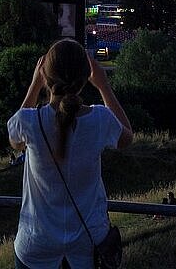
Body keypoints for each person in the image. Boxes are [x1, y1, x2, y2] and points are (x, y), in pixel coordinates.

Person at [8, 39, 134, 269]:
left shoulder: (29, 122)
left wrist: (35, 85)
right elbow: (127, 137)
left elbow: (15, 141)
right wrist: (104, 86)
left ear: (46, 76)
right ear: (86, 78)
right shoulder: (100, 119)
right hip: (87, 246)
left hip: (37, 245)